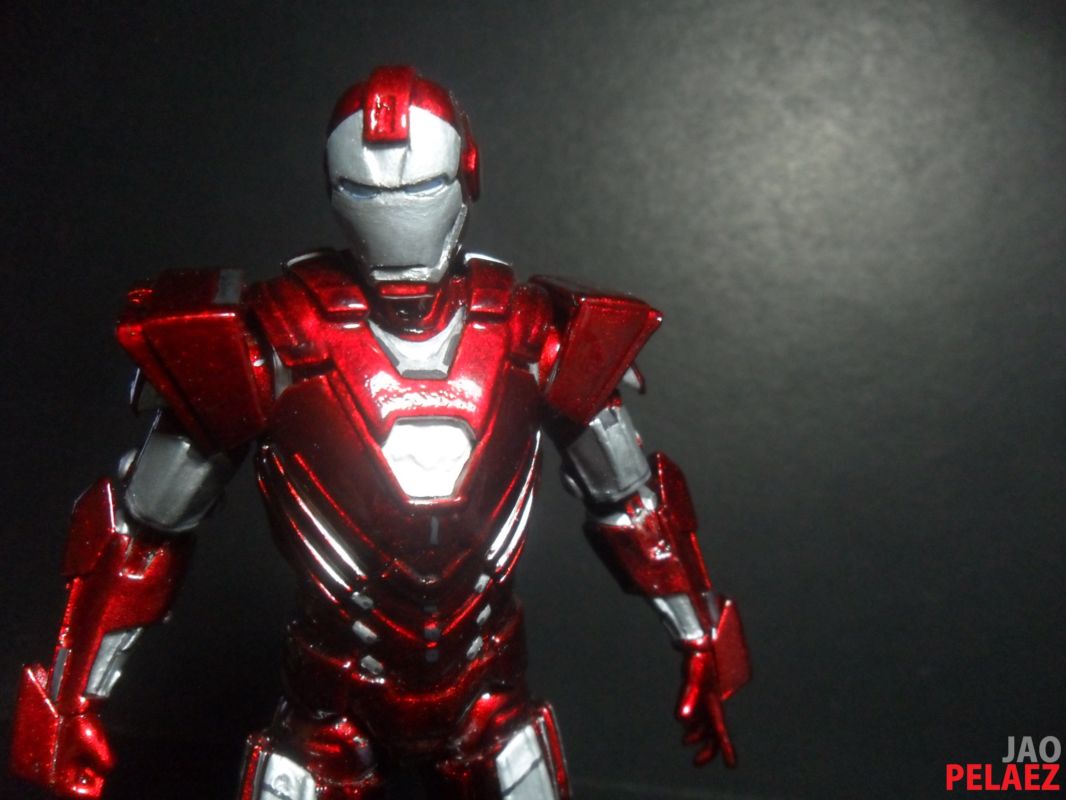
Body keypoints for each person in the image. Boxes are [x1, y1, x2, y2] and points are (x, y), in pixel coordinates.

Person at [11, 65, 750, 800]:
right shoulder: (274, 341)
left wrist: (703, 636)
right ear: (336, 192)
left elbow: (634, 502)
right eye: (366, 193)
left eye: (420, 188)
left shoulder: (527, 335)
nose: (397, 216)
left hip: (489, 693)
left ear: (464, 178)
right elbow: (140, 529)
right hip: (329, 701)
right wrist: (71, 697)